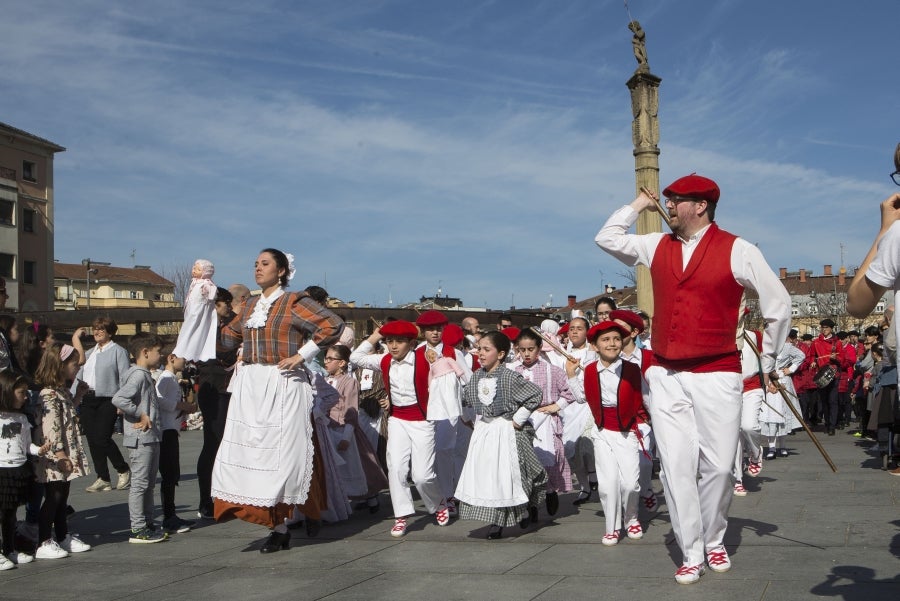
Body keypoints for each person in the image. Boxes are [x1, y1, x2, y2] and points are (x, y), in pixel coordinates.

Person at [595, 174, 791, 584]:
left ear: (700, 206)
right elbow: (607, 238)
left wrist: (768, 358)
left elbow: (779, 303)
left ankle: (714, 536)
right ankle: (692, 550)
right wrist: (637, 205)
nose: (668, 205)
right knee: (675, 467)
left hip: (717, 372)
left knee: (719, 467)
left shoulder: (738, 249)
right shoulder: (656, 245)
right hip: (666, 373)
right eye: (666, 199)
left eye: (676, 200)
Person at [212, 248, 344, 553]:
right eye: (255, 264)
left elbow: (332, 324)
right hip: (251, 385)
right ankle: (278, 527)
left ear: (281, 270)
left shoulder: (293, 301)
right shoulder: (249, 305)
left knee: (285, 456)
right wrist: (202, 313)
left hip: (282, 381)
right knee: (253, 455)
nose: (258, 268)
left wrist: (302, 355)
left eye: (265, 263)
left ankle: (305, 508)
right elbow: (226, 341)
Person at [349, 320, 449, 538]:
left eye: (400, 341)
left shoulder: (425, 358)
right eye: (390, 341)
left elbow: (446, 369)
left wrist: (435, 358)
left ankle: (438, 503)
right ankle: (401, 515)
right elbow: (355, 357)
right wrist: (376, 335)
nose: (393, 346)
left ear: (412, 343)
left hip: (422, 421)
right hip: (397, 420)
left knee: (422, 475)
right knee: (396, 468)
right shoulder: (384, 360)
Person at [455, 331, 547, 540]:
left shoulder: (510, 377)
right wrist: (466, 415)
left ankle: (524, 507)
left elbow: (534, 394)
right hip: (485, 431)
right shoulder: (477, 376)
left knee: (512, 475)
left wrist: (518, 419)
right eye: (479, 349)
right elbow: (468, 398)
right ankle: (497, 521)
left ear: (501, 354)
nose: (481, 353)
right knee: (491, 477)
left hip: (506, 431)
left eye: (486, 349)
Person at [566, 321, 647, 545]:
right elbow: (581, 397)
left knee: (630, 483)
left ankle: (631, 517)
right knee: (608, 483)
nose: (612, 344)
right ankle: (612, 526)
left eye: (616, 339)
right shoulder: (591, 370)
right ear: (595, 346)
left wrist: (649, 422)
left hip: (627, 431)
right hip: (602, 431)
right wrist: (571, 375)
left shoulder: (632, 369)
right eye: (605, 340)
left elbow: (644, 397)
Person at [34, 343, 92, 559]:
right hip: (55, 455)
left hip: (63, 451)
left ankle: (62, 535)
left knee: (62, 495)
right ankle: (43, 540)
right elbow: (51, 427)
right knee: (54, 496)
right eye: (74, 364)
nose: (77, 367)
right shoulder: (48, 395)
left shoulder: (61, 392)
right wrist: (60, 455)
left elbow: (67, 413)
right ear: (60, 366)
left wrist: (78, 395)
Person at [511, 328, 574, 518]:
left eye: (531, 349)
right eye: (522, 350)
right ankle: (530, 504)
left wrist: (556, 406)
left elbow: (569, 392)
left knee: (548, 458)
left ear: (539, 349)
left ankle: (550, 490)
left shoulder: (551, 370)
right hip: (521, 422)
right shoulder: (512, 371)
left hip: (545, 420)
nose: (526, 354)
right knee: (524, 462)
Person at [111, 333, 167, 544]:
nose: (161, 355)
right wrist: (140, 413)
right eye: (158, 351)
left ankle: (148, 522)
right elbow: (119, 399)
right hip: (141, 438)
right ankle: (138, 527)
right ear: (145, 352)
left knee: (148, 483)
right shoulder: (138, 375)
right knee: (140, 484)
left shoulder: (143, 375)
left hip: (150, 436)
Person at [414, 310, 471, 516]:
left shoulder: (453, 352)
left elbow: (468, 380)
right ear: (423, 332)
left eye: (438, 329)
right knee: (425, 454)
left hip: (448, 409)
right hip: (422, 409)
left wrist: (466, 409)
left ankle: (448, 495)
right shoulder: (416, 353)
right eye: (430, 329)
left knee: (444, 451)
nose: (435, 333)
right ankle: (433, 497)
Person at [322, 344, 387, 513]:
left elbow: (351, 409)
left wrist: (346, 436)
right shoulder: (323, 380)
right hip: (326, 429)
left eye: (330, 359)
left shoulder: (349, 382)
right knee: (333, 470)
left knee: (356, 466)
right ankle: (337, 504)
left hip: (343, 429)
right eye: (325, 358)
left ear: (342, 363)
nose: (326, 362)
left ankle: (370, 496)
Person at [194, 287, 237, 519]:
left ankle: (225, 496)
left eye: (229, 303)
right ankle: (206, 499)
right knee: (213, 442)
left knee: (228, 443)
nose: (228, 307)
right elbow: (224, 354)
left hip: (229, 388)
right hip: (213, 388)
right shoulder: (204, 328)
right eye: (224, 303)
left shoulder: (229, 325)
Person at [0, 372, 49, 568]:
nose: (26, 397)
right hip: (2, 470)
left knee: (10, 514)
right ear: (7, 392)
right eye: (21, 393)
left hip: (18, 469)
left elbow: (27, 445)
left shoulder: (21, 418)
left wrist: (39, 450)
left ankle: (9, 549)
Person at [77, 317, 131, 493]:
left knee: (102, 437)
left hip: (108, 398)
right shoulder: (89, 352)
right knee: (92, 440)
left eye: (101, 329)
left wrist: (122, 402)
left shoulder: (118, 351)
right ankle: (103, 478)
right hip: (88, 398)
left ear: (110, 332)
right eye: (95, 328)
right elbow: (79, 372)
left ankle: (122, 469)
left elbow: (124, 377)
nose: (97, 332)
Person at [155, 351, 197, 534]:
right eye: (182, 358)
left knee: (172, 474)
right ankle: (169, 517)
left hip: (171, 429)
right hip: (166, 431)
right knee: (169, 474)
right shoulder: (165, 378)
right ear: (171, 358)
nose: (185, 361)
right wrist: (180, 405)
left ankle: (171, 515)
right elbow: (158, 399)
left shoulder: (172, 378)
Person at [172, 259, 218, 362]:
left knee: (195, 328)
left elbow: (212, 294)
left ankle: (190, 351)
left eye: (198, 269)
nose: (194, 270)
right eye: (194, 268)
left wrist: (208, 292)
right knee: (186, 328)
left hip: (198, 310)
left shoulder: (206, 284)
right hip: (191, 309)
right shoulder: (194, 282)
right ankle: (182, 348)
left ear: (206, 273)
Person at [811, 319, 846, 436]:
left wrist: (836, 358)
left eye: (826, 327)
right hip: (821, 374)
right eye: (823, 327)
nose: (824, 329)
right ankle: (827, 423)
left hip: (833, 374)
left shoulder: (837, 343)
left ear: (831, 329)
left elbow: (843, 359)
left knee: (833, 400)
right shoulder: (816, 342)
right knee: (824, 401)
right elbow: (812, 356)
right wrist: (813, 362)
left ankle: (832, 425)